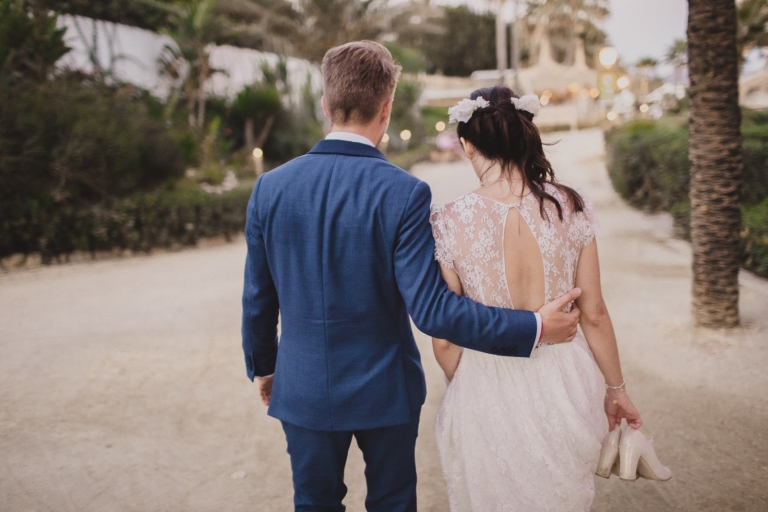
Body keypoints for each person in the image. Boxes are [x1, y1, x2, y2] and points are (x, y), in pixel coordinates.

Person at [241, 42, 582, 512]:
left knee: (314, 504)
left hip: (302, 385)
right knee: (393, 503)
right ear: (387, 108)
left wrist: (266, 366)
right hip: (386, 387)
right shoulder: (403, 193)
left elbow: (259, 298)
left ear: (325, 105)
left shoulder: (270, 188)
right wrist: (535, 327)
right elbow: (433, 311)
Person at [430, 86, 644, 511]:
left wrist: (469, 383)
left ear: (467, 145)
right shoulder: (571, 206)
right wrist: (616, 389)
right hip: (563, 378)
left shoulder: (448, 221)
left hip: (483, 377)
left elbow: (445, 336)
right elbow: (594, 313)